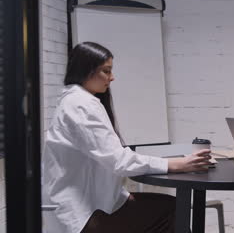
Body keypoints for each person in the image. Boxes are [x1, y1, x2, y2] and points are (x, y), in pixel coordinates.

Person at [42, 42, 212, 233]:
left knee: (169, 207)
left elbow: (103, 160)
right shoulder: (82, 105)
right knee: (171, 210)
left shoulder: (74, 100)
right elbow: (118, 161)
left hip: (81, 206)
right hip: (80, 215)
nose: (112, 78)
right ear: (85, 70)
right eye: (106, 71)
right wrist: (176, 164)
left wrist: (121, 197)